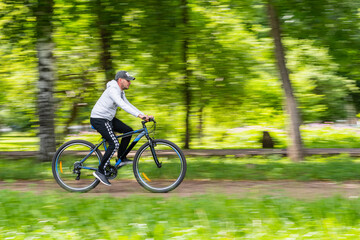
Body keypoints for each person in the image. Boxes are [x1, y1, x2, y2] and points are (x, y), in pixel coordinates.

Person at [90, 71, 152, 186]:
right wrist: (139, 116)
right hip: (99, 119)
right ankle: (100, 171)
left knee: (128, 131)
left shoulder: (121, 92)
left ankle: (121, 158)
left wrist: (144, 115)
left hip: (108, 118)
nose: (129, 82)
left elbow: (128, 104)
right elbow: (122, 105)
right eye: (127, 80)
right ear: (120, 80)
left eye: (130, 80)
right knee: (114, 143)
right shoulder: (113, 90)